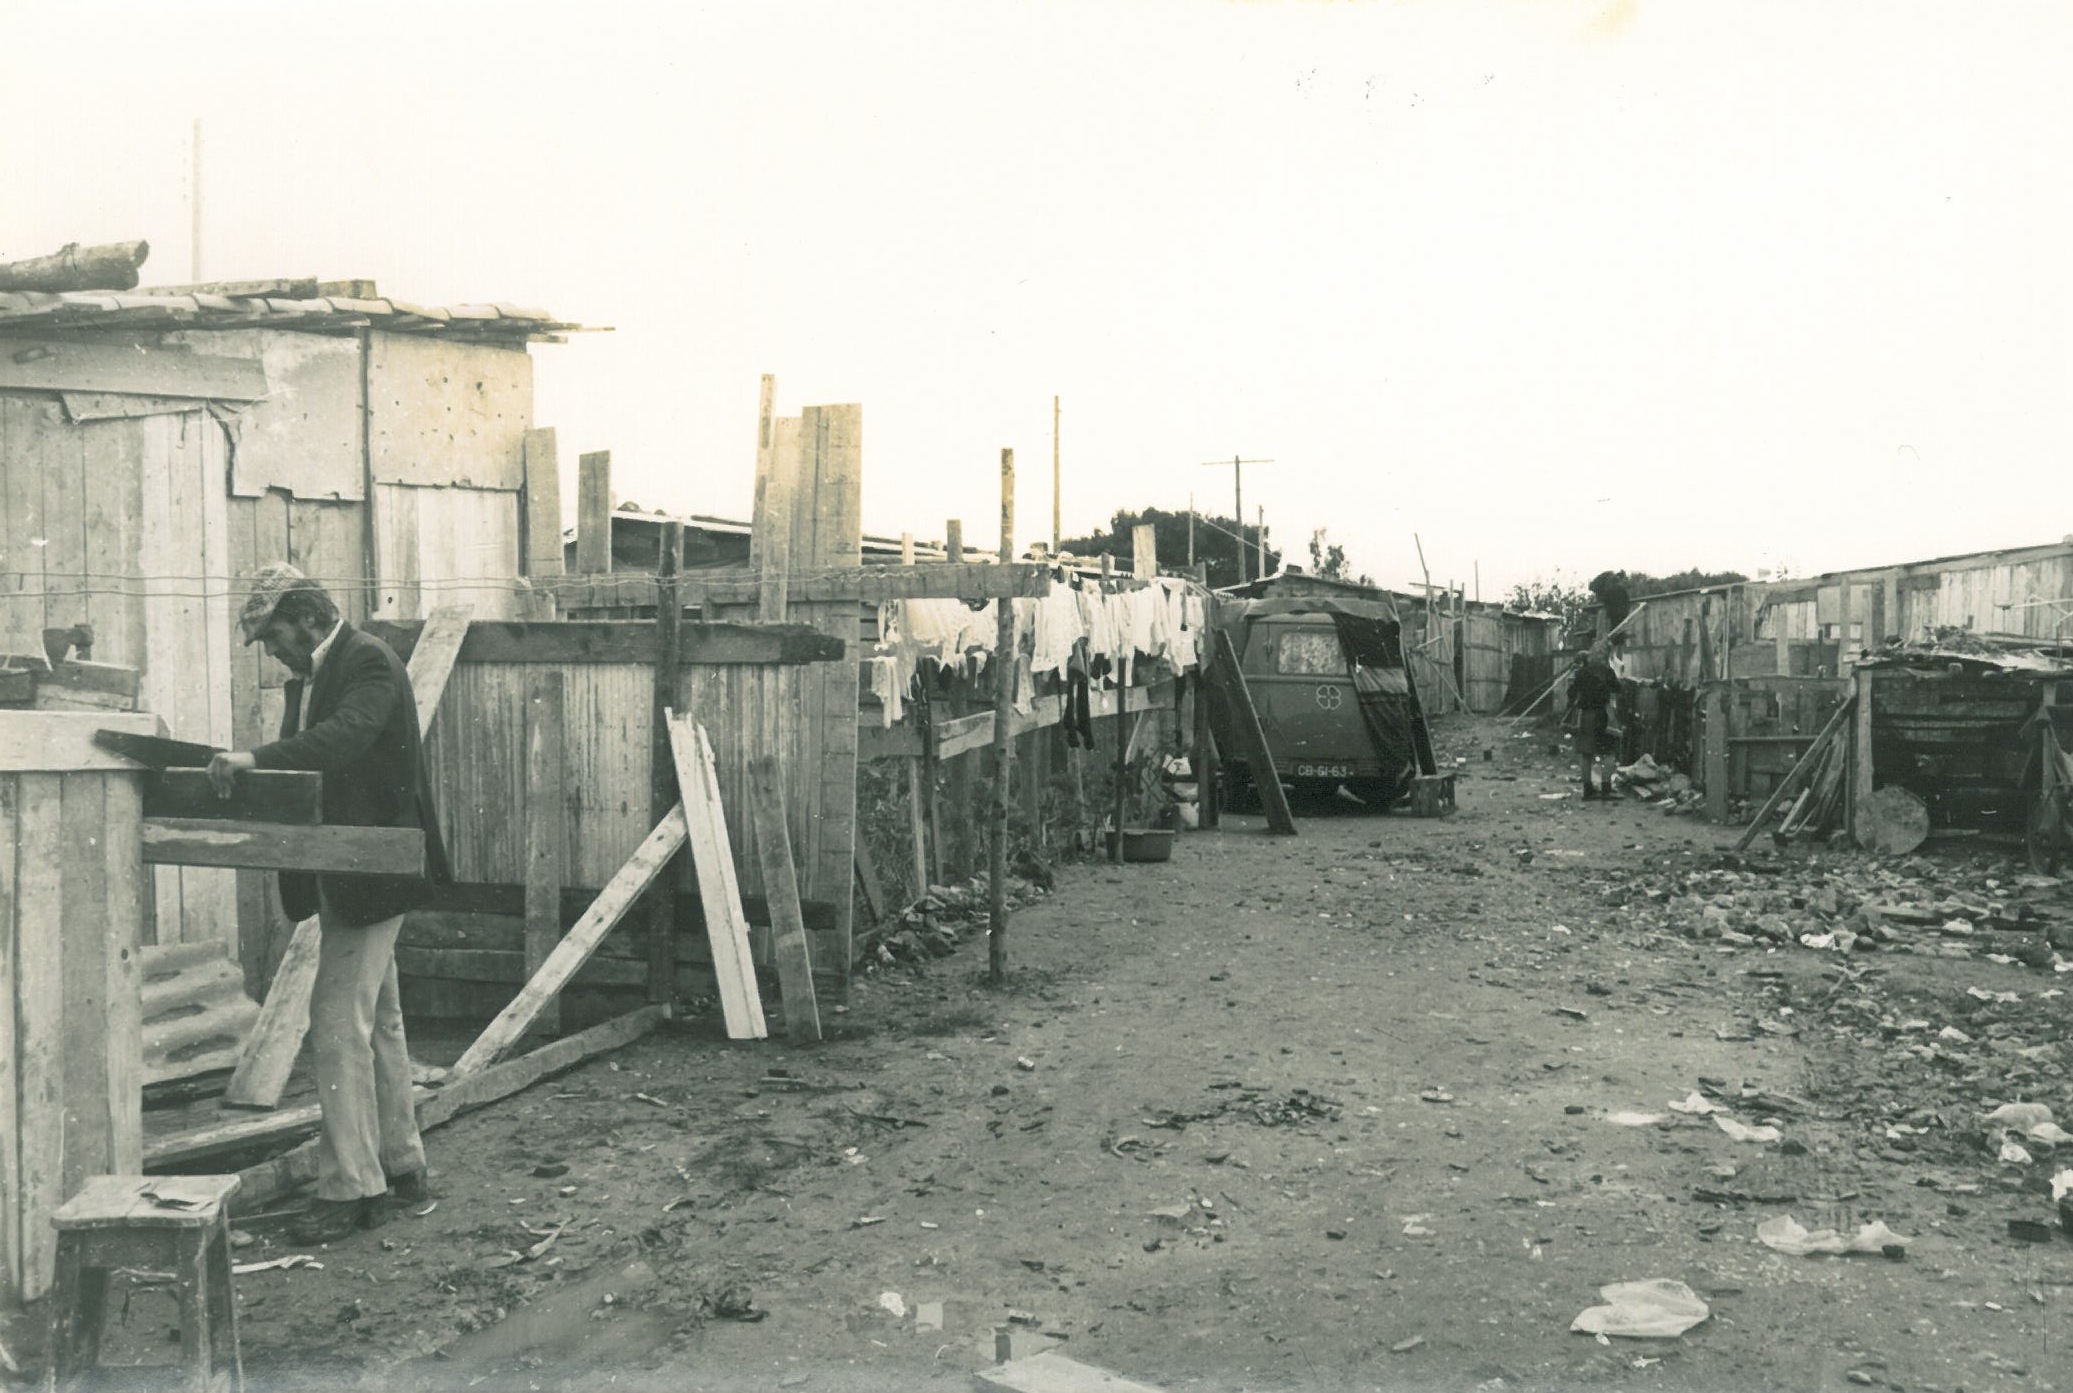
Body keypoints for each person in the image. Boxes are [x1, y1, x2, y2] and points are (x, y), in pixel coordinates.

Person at [208, 564, 450, 1242]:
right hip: (351, 871)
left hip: (371, 871)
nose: (270, 648)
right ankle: (402, 1168)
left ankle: (349, 1188)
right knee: (382, 1023)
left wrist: (252, 759)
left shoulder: (367, 660)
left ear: (309, 616)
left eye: (274, 633)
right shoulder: (319, 671)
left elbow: (344, 738)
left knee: (336, 1022)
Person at [1566, 644, 1619, 801]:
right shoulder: (1607, 672)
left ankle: (1588, 790)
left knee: (1586, 753)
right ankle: (1606, 788)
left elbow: (1571, 693)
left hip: (1584, 716)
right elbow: (1618, 688)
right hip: (1602, 715)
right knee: (1607, 752)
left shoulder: (1581, 673)